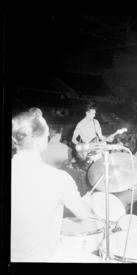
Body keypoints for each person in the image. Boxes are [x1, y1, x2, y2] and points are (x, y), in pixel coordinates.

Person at [11, 108, 97, 262]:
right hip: (45, 257)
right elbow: (84, 214)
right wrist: (87, 201)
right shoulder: (59, 179)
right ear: (41, 140)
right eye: (47, 133)